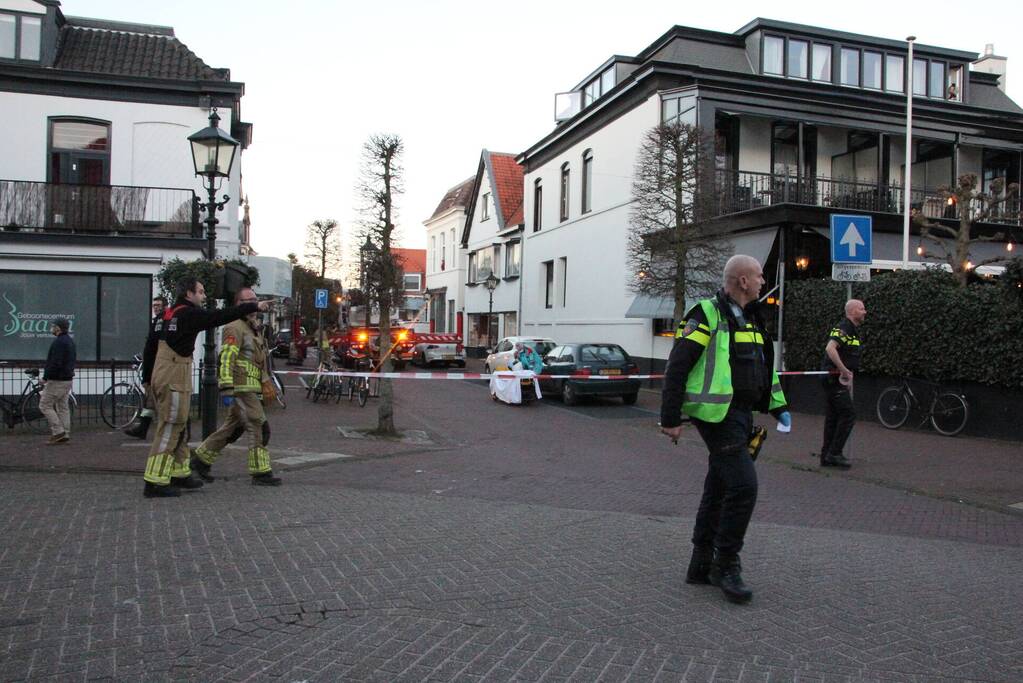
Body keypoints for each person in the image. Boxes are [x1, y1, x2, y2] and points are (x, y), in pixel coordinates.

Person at [659, 255, 791, 605]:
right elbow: (678, 365)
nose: (764, 281)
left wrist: (778, 406)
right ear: (743, 281)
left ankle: (700, 563)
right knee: (744, 487)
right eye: (760, 276)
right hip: (717, 416)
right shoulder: (706, 314)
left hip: (742, 414)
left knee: (719, 487)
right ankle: (726, 563)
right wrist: (670, 418)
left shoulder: (752, 317)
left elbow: (763, 369)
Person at [142, 277, 268, 498]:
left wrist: (147, 378)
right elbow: (217, 317)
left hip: (161, 374)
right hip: (174, 375)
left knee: (179, 424)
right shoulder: (188, 314)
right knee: (171, 426)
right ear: (189, 294)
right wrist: (253, 306)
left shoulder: (164, 316)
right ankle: (155, 480)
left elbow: (150, 348)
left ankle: (180, 472)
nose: (203, 296)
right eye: (200, 292)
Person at [189, 288, 282, 486]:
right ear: (238, 304)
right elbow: (227, 358)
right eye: (248, 301)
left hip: (252, 387)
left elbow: (260, 360)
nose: (253, 305)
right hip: (241, 388)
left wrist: (265, 381)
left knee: (231, 429)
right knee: (258, 424)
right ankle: (261, 472)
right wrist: (226, 388)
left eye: (255, 300)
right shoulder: (234, 327)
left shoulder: (254, 328)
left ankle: (200, 461)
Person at [818, 299, 866, 469]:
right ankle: (835, 453)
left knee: (833, 417)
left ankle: (827, 456)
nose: (865, 312)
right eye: (861, 309)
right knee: (848, 414)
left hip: (836, 379)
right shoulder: (845, 328)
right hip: (834, 378)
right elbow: (830, 348)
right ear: (852, 311)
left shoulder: (852, 330)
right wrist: (844, 370)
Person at [124, 296, 168, 439]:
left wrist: (147, 376)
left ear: (165, 306)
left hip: (157, 370)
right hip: (154, 369)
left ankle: (170, 431)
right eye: (154, 305)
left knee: (159, 402)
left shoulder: (161, 322)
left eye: (159, 305)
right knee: (150, 402)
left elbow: (152, 348)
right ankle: (142, 429)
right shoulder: (157, 322)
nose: (156, 308)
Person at [40, 318, 76, 445]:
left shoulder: (58, 343)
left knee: (45, 405)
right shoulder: (70, 342)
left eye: (53, 326)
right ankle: (65, 433)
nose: (52, 328)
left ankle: (58, 431)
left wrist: (45, 377)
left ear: (58, 328)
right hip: (67, 379)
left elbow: (55, 363)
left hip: (57, 380)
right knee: (63, 407)